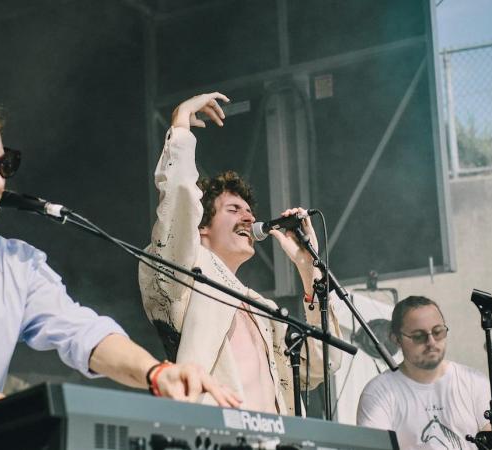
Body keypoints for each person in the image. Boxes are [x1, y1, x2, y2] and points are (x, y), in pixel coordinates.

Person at [0, 95, 240, 424]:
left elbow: (80, 332)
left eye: (4, 164)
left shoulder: (17, 263)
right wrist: (35, 419)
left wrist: (156, 373)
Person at [138, 92, 343, 416]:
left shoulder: (261, 308)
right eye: (234, 210)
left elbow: (321, 365)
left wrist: (308, 268)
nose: (249, 218)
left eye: (249, 211)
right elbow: (178, 202)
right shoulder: (185, 273)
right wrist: (180, 123)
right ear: (201, 227)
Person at [356, 296, 492, 450]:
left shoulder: (474, 381)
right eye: (419, 336)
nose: (431, 342)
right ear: (396, 339)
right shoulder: (378, 392)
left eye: (438, 332)